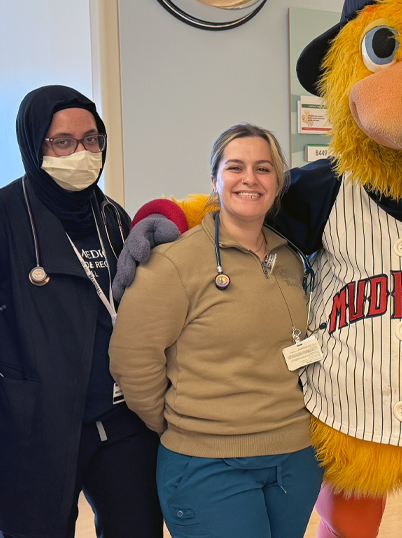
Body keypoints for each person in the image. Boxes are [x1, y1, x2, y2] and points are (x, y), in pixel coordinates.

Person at [0, 85, 161, 537]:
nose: (81, 153)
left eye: (92, 140)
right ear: (34, 145)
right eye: (62, 142)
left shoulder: (112, 217)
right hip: (32, 432)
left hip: (121, 422)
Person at [110, 123, 324, 538]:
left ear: (278, 183)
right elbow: (132, 361)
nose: (250, 179)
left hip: (294, 458)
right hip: (208, 462)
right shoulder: (173, 263)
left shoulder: (294, 259)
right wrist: (187, 422)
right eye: (236, 167)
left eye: (264, 168)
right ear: (214, 179)